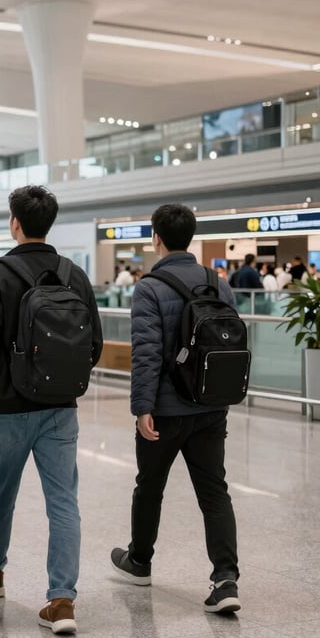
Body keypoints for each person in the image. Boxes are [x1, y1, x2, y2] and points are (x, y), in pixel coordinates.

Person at [0, 185, 103, 636]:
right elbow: (93, 344)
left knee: (1, 494)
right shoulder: (73, 274)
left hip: (10, 406)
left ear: (15, 223)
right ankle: (62, 601)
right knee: (64, 503)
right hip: (62, 408)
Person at [110, 203, 241, 615]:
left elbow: (146, 353)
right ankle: (225, 578)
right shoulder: (218, 283)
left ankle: (140, 560)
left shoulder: (149, 286)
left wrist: (142, 406)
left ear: (156, 238)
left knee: (149, 486)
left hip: (165, 411)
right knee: (214, 491)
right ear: (192, 236)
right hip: (210, 406)